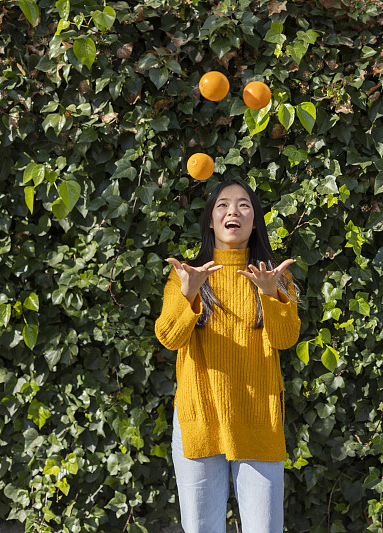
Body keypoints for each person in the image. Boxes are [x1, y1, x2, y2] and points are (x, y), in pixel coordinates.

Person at [154, 178, 301, 533]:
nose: (233, 211)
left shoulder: (275, 277)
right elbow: (169, 338)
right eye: (222, 204)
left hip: (257, 418)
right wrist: (189, 294)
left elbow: (285, 340)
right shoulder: (185, 277)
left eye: (243, 205)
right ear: (210, 219)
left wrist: (270, 294)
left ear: (254, 220)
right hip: (199, 416)